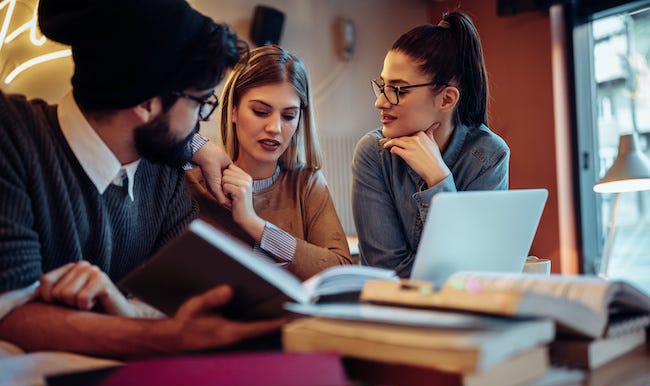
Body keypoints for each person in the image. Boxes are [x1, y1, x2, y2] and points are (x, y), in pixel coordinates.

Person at [0, 0, 285, 359]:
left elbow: (182, 297)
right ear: (146, 104)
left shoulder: (160, 169)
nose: (200, 124)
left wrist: (123, 308)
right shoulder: (13, 138)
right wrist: (167, 337)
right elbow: (10, 314)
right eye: (200, 104)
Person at [351, 11, 510, 278]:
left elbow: (482, 271)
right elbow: (387, 273)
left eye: (398, 90)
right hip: (395, 314)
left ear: (446, 99)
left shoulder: (489, 156)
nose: (379, 102)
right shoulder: (373, 153)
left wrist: (439, 179)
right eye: (382, 86)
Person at [187, 45, 352, 281]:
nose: (275, 128)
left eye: (288, 116)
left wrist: (253, 223)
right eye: (261, 111)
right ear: (233, 110)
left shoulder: (306, 184)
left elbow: (341, 272)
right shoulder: (193, 178)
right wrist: (198, 145)